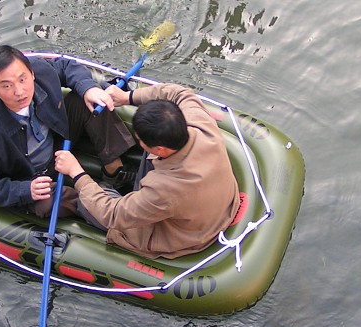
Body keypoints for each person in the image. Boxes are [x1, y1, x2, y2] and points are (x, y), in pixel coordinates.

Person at [54, 83, 240, 259]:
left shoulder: (164, 190)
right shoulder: (199, 122)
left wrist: (77, 173)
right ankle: (118, 178)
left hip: (183, 234)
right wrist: (128, 97)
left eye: (140, 139)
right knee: (146, 166)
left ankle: (77, 200)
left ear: (160, 149)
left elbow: (113, 215)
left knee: (88, 205)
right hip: (206, 206)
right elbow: (178, 93)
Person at [0, 45, 136, 217]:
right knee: (47, 204)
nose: (19, 91)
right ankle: (101, 207)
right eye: (6, 86)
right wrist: (25, 190)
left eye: (23, 80)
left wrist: (88, 87)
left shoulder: (40, 69)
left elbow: (66, 66)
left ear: (32, 74)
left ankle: (114, 172)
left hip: (58, 143)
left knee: (91, 100)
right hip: (30, 176)